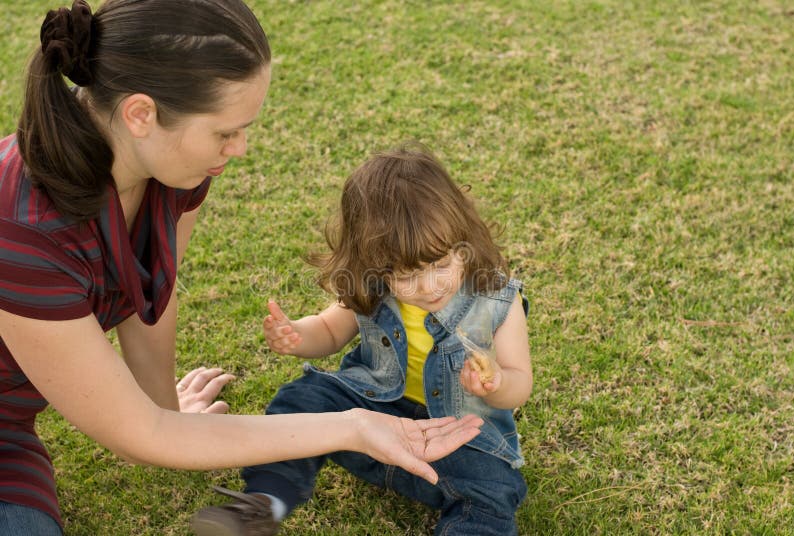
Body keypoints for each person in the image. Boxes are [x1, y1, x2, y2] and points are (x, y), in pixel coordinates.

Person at [0, 2, 484, 534]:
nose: (241, 148)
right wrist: (352, 426)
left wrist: (164, 411)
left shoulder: (171, 169)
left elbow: (149, 292)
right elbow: (141, 439)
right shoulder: (23, 235)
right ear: (141, 114)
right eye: (226, 132)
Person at [191, 143, 532, 536]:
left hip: (456, 440)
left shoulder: (497, 299)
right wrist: (298, 336)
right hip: (369, 416)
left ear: (463, 241)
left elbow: (519, 381)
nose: (429, 286)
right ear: (374, 263)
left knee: (495, 489)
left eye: (440, 265)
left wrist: (497, 385)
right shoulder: (373, 287)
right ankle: (266, 503)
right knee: (301, 400)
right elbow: (331, 330)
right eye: (407, 275)